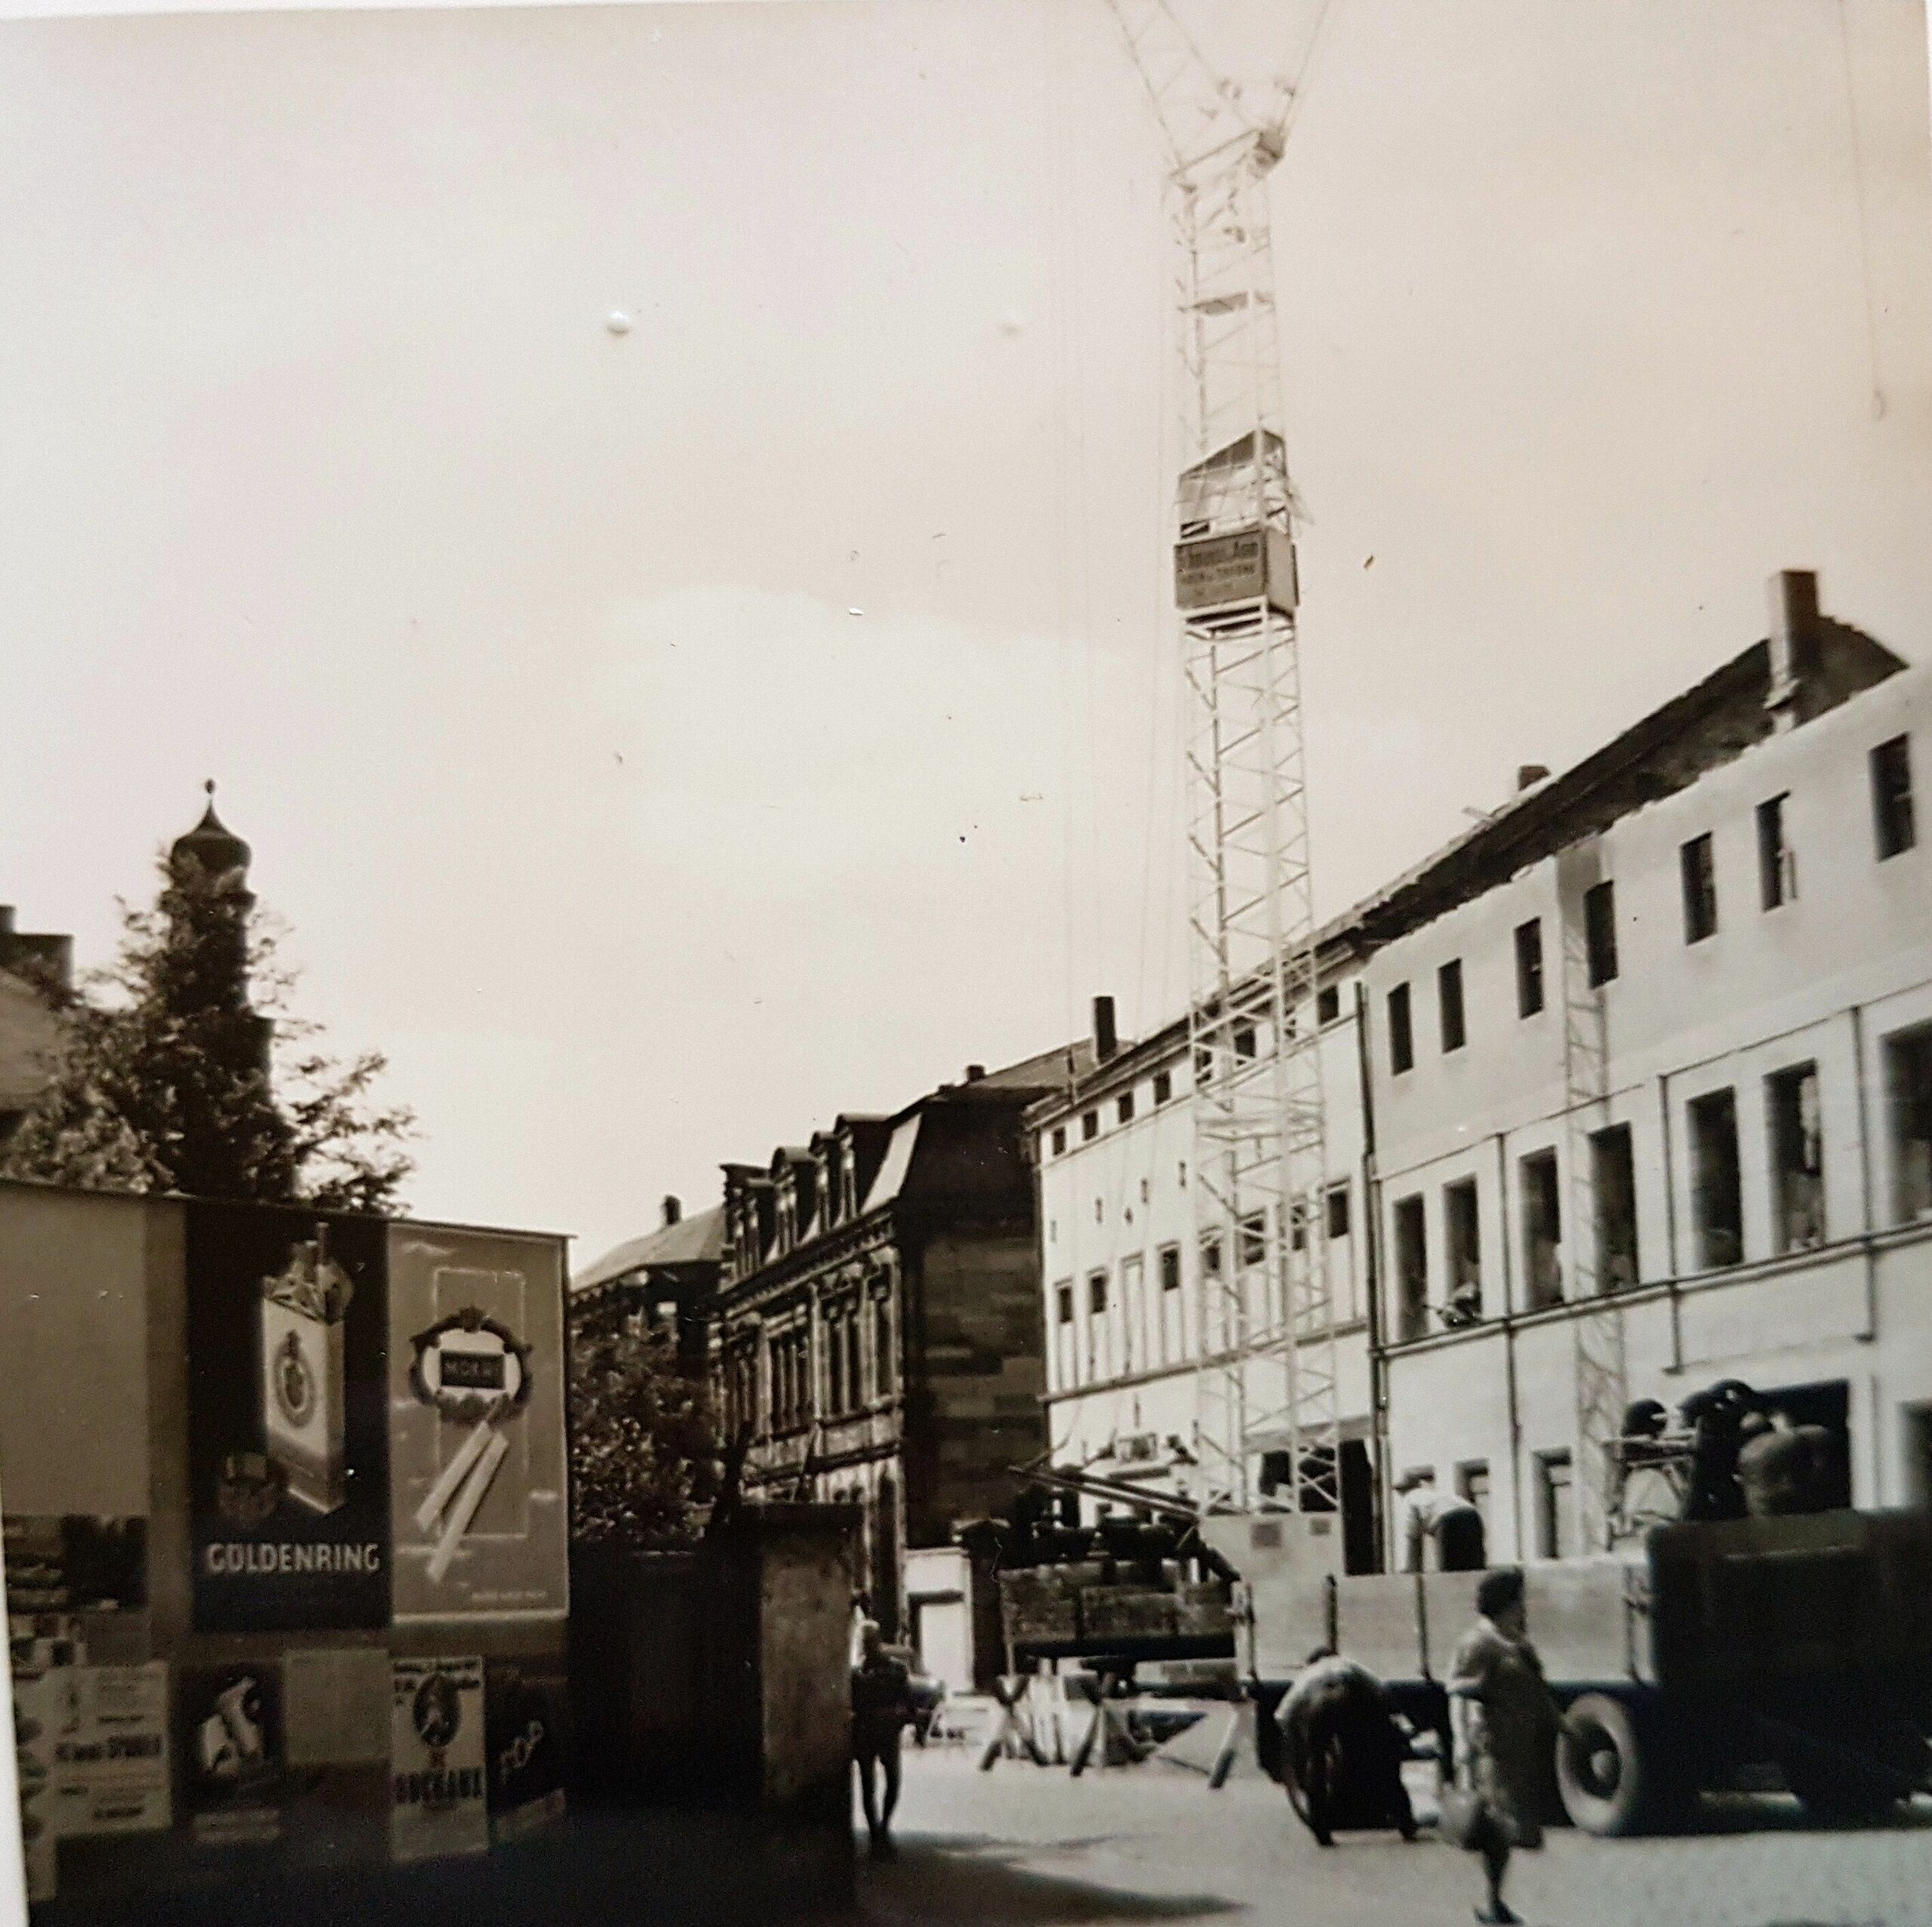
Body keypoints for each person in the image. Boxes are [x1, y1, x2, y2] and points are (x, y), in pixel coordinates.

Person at [1447, 1568, 1560, 1927]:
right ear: (1504, 1605)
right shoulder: (1479, 1643)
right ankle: (1493, 1903)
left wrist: (1563, 1727)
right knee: (1497, 1826)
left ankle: (1495, 1902)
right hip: (1490, 1748)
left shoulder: (1520, 1644)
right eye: (1517, 1602)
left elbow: (1539, 1691)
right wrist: (1463, 1741)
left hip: (1520, 1748)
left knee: (1508, 1829)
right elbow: (1456, 1688)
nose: (1522, 1609)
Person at [1275, 1647, 1416, 1848]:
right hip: (1351, 1693)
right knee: (1383, 1762)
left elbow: (1282, 1715)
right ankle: (1405, 1823)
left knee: (1316, 1764)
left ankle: (1321, 1831)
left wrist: (1297, 1746)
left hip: (1318, 1702)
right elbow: (1382, 1692)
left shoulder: (1307, 1674)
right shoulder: (1350, 1664)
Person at [851, 1619, 915, 1858]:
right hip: (867, 1733)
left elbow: (909, 1704)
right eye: (863, 1642)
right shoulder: (856, 1674)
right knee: (869, 1785)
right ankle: (876, 1833)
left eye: (869, 1641)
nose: (866, 1646)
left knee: (892, 1782)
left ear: (877, 1641)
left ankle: (883, 1827)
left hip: (885, 1732)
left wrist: (899, 1719)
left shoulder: (895, 1670)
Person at [1396, 1468, 1487, 1573]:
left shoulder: (1410, 1498)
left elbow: (1413, 1536)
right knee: (1474, 1563)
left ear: (1404, 1490)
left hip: (1449, 1520)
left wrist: (1412, 1570)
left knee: (1450, 1568)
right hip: (1472, 1514)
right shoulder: (1433, 1494)